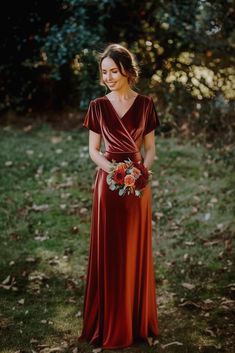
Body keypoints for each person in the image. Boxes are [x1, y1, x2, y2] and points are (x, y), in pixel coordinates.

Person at [78, 43, 161, 352]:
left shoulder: (145, 104)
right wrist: (114, 171)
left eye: (114, 71)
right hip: (109, 185)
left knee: (133, 250)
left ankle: (136, 321)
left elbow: (150, 149)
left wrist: (141, 173)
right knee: (111, 251)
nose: (109, 77)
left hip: (137, 187)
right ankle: (110, 322)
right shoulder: (97, 105)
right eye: (104, 72)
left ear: (127, 71)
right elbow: (93, 151)